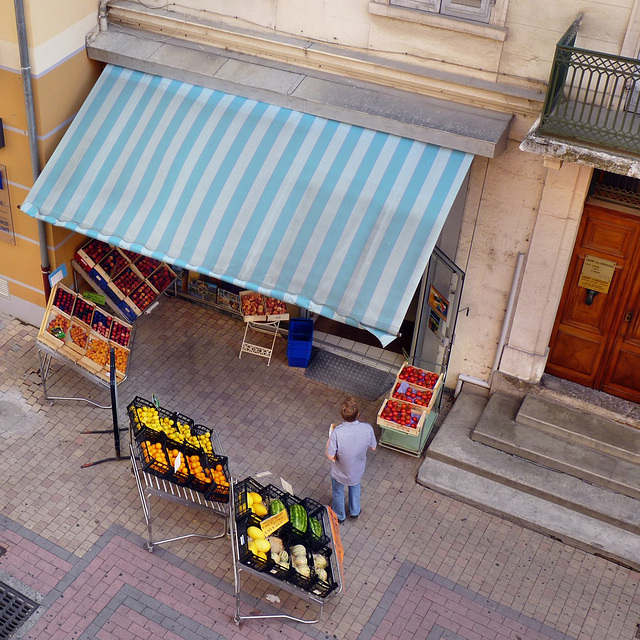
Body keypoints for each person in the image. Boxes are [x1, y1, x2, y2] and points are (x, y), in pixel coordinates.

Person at [325, 397, 377, 523]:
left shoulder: (337, 432)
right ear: (358, 414)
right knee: (355, 486)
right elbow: (373, 447)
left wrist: (329, 440)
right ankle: (355, 511)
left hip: (340, 471)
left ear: (342, 415)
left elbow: (330, 455)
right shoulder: (367, 428)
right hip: (357, 469)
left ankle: (340, 515)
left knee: (338, 491)